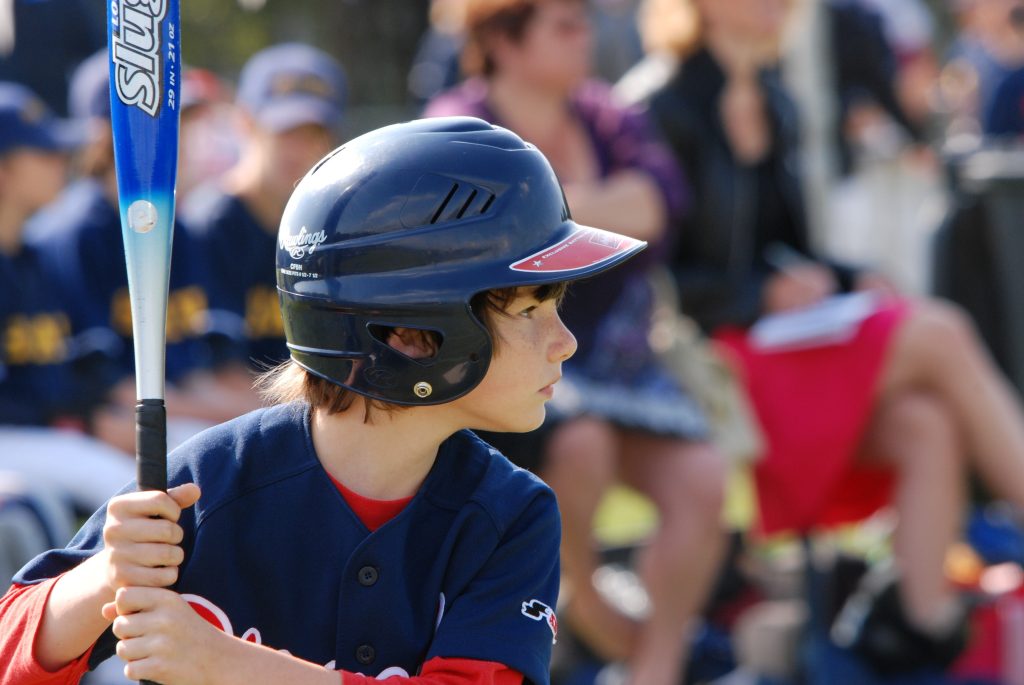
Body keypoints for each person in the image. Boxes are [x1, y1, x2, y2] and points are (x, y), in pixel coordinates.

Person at [0, 116, 647, 685]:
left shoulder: (512, 516)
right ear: (415, 334)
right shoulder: (209, 485)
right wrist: (103, 578)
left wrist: (228, 667)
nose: (564, 342)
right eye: (533, 309)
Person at [629, 0, 1024, 669]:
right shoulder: (655, 105)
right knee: (941, 334)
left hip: (786, 344)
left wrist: (851, 276)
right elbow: (650, 281)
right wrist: (760, 294)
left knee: (925, 421)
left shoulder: (774, 94)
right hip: (708, 355)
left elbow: (790, 248)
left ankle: (924, 629)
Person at [425, 3, 727, 685]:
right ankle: (583, 608)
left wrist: (535, 205)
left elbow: (654, 208)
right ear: (502, 39)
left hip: (623, 362)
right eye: (563, 24)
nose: (585, 34)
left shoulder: (608, 114)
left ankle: (655, 667)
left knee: (704, 479)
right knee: (581, 443)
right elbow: (465, 245)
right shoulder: (453, 125)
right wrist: (600, 200)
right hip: (504, 359)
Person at [28, 51, 258, 455]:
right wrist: (230, 417)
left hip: (172, 410)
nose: (183, 142)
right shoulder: (77, 233)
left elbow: (193, 373)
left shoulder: (176, 227)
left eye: (185, 126)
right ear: (110, 134)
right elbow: (109, 389)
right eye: (169, 124)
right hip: (100, 425)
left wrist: (252, 411)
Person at [0, 81, 135, 514]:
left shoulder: (34, 257)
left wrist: (90, 412)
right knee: (120, 482)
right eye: (44, 154)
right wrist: (85, 421)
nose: (62, 162)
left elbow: (67, 368)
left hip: (44, 433)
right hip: (14, 437)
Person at [183, 43, 347, 377]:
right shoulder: (207, 225)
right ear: (245, 122)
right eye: (285, 131)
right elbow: (216, 373)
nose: (299, 148)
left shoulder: (328, 225)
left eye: (313, 132)